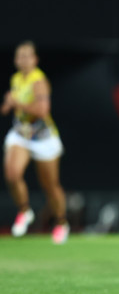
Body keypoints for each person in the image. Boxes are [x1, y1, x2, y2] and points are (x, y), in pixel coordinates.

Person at [1, 41, 69, 244]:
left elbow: (42, 111)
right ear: (15, 60)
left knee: (50, 185)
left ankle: (61, 222)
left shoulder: (39, 81)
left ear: (35, 59)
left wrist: (17, 103)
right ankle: (24, 210)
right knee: (12, 174)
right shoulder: (16, 79)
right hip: (21, 134)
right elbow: (13, 104)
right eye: (19, 56)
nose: (23, 60)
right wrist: (7, 105)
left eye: (27, 56)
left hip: (43, 138)